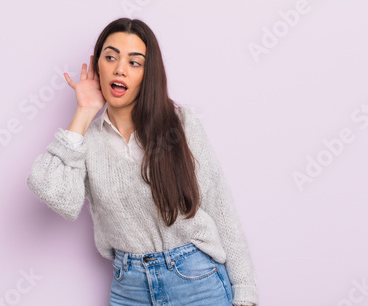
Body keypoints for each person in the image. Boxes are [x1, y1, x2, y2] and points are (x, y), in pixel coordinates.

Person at [27, 18, 258, 306]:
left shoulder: (181, 125)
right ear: (98, 65)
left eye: (134, 63)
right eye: (110, 57)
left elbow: (220, 207)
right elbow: (58, 196)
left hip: (196, 281)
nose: (119, 68)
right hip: (130, 288)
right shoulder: (86, 142)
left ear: (148, 74)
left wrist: (245, 290)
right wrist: (84, 113)